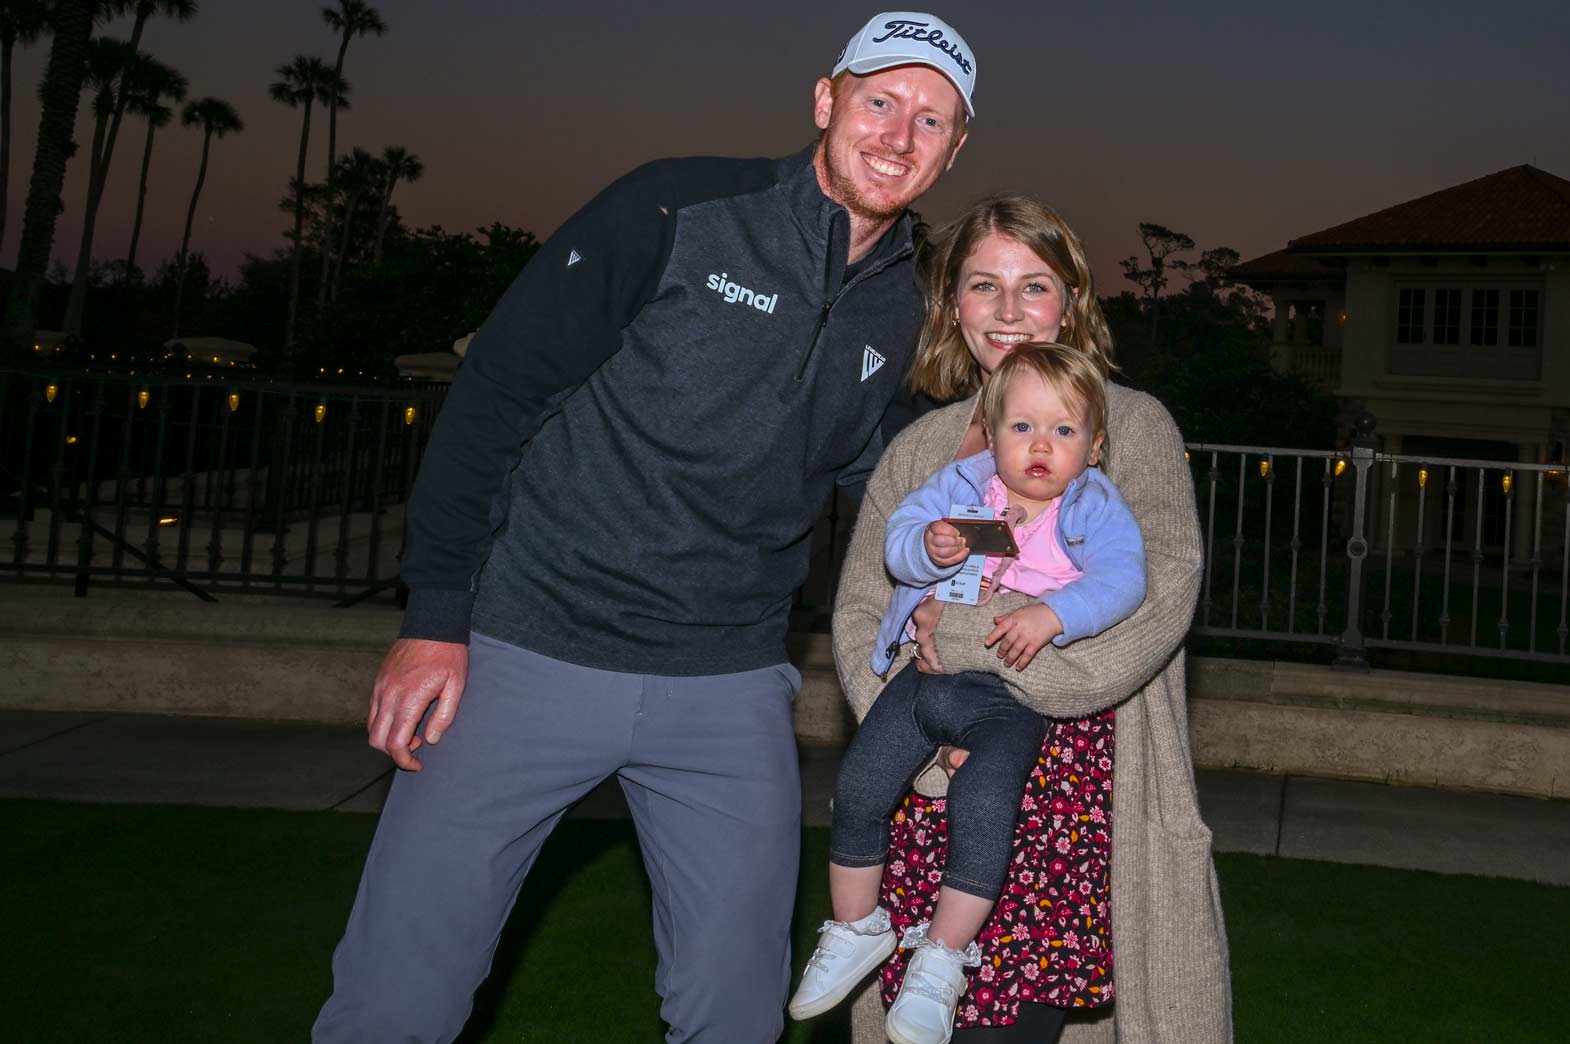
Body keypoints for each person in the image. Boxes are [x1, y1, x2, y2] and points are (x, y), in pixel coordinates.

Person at [312, 12, 977, 1044]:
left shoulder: (904, 303)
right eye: (880, 101)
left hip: (725, 685)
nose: (898, 134)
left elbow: (894, 470)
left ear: (955, 147)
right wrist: (434, 617)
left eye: (930, 120)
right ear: (825, 100)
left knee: (735, 1013)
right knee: (399, 995)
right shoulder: (677, 205)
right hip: (527, 651)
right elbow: (495, 394)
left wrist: (1012, 535)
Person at [830, 196, 1233, 1043]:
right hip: (931, 792)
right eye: (984, 285)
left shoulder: (1131, 430)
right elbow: (865, 613)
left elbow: (1156, 597)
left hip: (1072, 797)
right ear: (953, 307)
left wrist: (983, 645)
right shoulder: (919, 451)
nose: (1009, 311)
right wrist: (929, 740)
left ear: (1072, 304)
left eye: (1035, 286)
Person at [791, 343, 1145, 1044]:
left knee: (985, 809)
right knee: (859, 787)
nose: (1040, 445)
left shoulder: (1092, 505)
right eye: (1021, 427)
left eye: (1064, 431)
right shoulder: (961, 484)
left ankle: (944, 959)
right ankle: (857, 927)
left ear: (1095, 447)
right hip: (926, 680)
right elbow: (897, 544)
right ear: (991, 430)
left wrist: (1055, 614)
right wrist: (930, 546)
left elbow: (1126, 579)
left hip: (1009, 699)